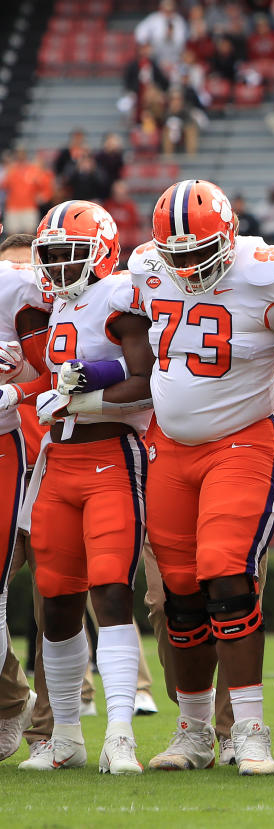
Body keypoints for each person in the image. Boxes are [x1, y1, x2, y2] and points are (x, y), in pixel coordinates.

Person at [122, 179, 274, 776]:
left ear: (230, 236)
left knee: (227, 573)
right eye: (179, 255)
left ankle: (249, 730)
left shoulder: (270, 272)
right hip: (169, 447)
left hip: (243, 440)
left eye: (200, 252)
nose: (190, 266)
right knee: (179, 594)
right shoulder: (146, 266)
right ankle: (193, 732)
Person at [13, 201, 153, 774]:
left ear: (101, 253)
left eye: (72, 255)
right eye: (51, 257)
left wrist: (86, 389)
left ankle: (119, 730)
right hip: (58, 464)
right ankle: (65, 733)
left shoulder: (117, 297)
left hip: (111, 456)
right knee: (57, 600)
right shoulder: (52, 308)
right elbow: (50, 377)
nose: (60, 267)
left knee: (111, 593)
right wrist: (26, 393)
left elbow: (149, 375)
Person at [0, 231, 51, 761]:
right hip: (8, 465)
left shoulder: (53, 309)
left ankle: (49, 729)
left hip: (53, 463)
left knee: (55, 601)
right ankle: (15, 698)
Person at [1, 149, 54, 235]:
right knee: (12, 236)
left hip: (29, 207)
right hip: (13, 207)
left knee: (29, 235)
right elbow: (4, 185)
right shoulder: (12, 170)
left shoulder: (33, 170)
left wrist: (44, 196)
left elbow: (45, 185)